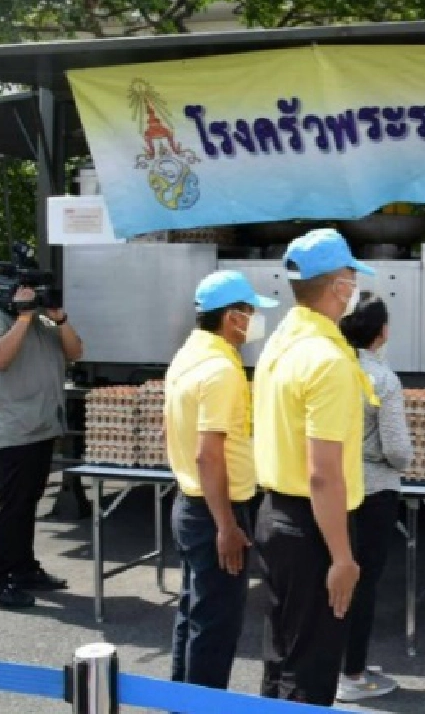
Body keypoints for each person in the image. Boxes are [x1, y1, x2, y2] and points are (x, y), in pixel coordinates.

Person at [253, 228, 376, 705]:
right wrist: (343, 558)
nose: (354, 290)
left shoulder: (280, 346)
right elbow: (324, 472)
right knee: (311, 668)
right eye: (350, 279)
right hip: (315, 526)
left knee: (281, 657)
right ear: (339, 287)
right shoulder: (329, 360)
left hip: (276, 514)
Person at [164, 270, 277, 690]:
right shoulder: (221, 371)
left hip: (191, 502)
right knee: (215, 628)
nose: (254, 321)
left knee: (194, 616)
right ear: (232, 317)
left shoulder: (186, 357)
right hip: (217, 511)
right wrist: (227, 526)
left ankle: (181, 700)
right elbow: (208, 454)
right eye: (250, 312)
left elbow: (172, 432)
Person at [0, 282, 83, 609]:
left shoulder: (44, 324)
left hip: (42, 426)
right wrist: (22, 317)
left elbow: (76, 352)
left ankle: (23, 569)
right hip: (12, 428)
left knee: (27, 502)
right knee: (12, 504)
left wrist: (59, 319)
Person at [336, 297, 412, 702]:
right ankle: (352, 672)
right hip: (373, 487)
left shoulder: (330, 366)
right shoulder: (382, 378)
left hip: (331, 485)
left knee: (331, 574)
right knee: (362, 581)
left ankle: (335, 660)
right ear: (381, 333)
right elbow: (397, 448)